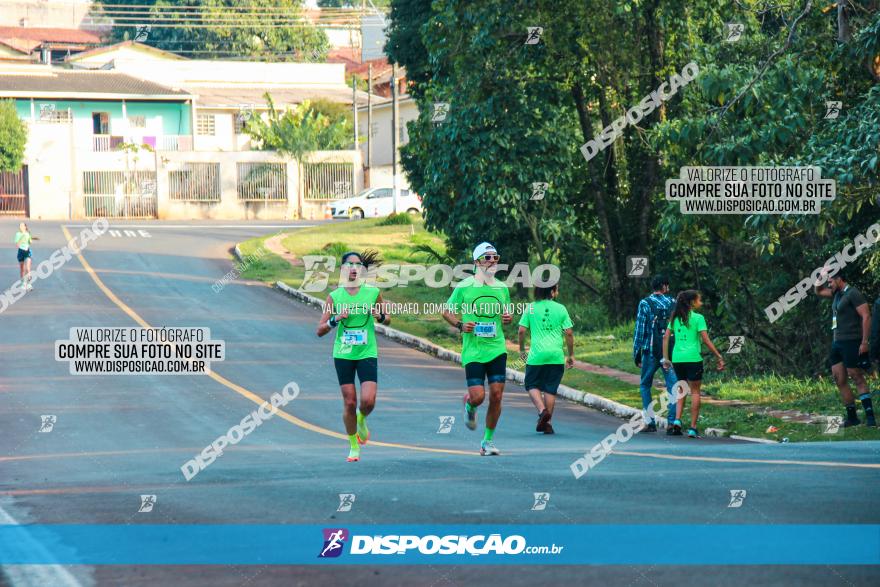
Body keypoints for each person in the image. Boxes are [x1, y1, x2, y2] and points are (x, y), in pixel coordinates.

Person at [316, 249, 390, 462]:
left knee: (368, 401)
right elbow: (319, 330)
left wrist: (381, 316)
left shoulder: (373, 293)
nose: (355, 269)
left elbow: (388, 320)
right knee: (349, 402)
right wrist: (335, 319)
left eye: (359, 265)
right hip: (344, 354)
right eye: (350, 265)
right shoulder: (335, 297)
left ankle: (361, 419)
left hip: (367, 351)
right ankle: (353, 446)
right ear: (343, 269)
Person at [441, 242, 512, 455]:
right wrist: (461, 325)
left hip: (497, 347)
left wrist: (508, 318)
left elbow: (506, 314)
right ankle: (470, 405)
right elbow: (446, 311)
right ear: (477, 262)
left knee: (497, 395)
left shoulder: (502, 288)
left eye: (495, 257)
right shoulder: (464, 287)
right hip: (473, 350)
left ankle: (487, 442)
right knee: (479, 396)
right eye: (487, 258)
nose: (492, 262)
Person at [661, 290, 724, 438]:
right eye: (698, 300)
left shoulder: (675, 318)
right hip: (693, 358)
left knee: (681, 389)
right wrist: (718, 356)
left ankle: (677, 421)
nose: (700, 302)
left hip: (677, 359)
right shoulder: (698, 318)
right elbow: (706, 340)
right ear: (692, 302)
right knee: (695, 392)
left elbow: (665, 338)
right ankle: (692, 428)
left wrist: (666, 359)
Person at [815, 271, 875, 427]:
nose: (829, 284)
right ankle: (852, 417)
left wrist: (864, 342)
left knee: (856, 376)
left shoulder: (853, 293)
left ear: (839, 279)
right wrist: (820, 276)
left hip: (851, 341)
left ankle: (870, 418)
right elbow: (818, 290)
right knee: (839, 378)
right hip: (837, 343)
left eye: (830, 281)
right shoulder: (837, 294)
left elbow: (866, 316)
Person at [518, 283, 575, 434]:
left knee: (531, 384)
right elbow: (569, 333)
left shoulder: (530, 307)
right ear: (552, 292)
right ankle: (548, 423)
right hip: (556, 356)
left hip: (536, 355)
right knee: (550, 388)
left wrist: (522, 349)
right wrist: (570, 355)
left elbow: (522, 331)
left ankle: (542, 411)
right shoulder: (561, 308)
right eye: (557, 288)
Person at [632, 275, 679, 434]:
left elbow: (640, 330)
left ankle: (649, 421)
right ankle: (672, 422)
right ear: (664, 287)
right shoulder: (673, 303)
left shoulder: (645, 303)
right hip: (669, 353)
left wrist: (636, 352)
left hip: (650, 351)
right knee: (673, 386)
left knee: (645, 385)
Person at [14, 222, 33, 291]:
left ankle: (29, 284)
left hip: (27, 252)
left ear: (25, 227)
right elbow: (17, 244)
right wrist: (22, 238)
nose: (21, 227)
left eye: (22, 226)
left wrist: (29, 240)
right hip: (21, 252)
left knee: (28, 268)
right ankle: (23, 283)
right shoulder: (17, 234)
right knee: (22, 269)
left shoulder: (28, 234)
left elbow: (30, 242)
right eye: (20, 226)